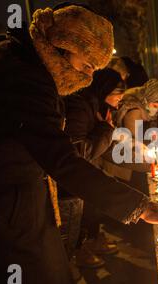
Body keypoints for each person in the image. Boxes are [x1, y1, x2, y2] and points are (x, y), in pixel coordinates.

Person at [0, 4, 158, 284]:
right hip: (3, 220)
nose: (87, 76)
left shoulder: (14, 58)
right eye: (87, 64)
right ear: (64, 45)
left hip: (8, 206)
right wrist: (143, 208)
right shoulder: (23, 79)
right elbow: (64, 160)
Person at [59, 68, 125, 268]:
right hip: (70, 183)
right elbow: (80, 152)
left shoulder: (95, 106)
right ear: (104, 89)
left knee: (84, 219)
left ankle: (81, 249)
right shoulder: (80, 107)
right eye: (118, 96)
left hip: (82, 178)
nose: (119, 101)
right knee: (68, 232)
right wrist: (106, 130)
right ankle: (69, 269)